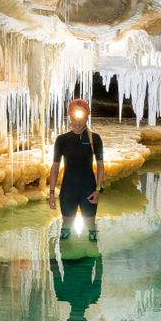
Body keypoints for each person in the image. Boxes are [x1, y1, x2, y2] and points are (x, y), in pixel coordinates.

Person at [47, 97, 105, 241]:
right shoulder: (62, 140)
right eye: (74, 117)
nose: (78, 122)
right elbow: (55, 167)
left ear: (86, 118)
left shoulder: (95, 139)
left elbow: (100, 166)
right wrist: (52, 192)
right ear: (70, 117)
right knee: (67, 225)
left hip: (88, 189)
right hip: (68, 190)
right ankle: (66, 256)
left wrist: (98, 190)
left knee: (91, 225)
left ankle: (95, 255)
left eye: (81, 118)